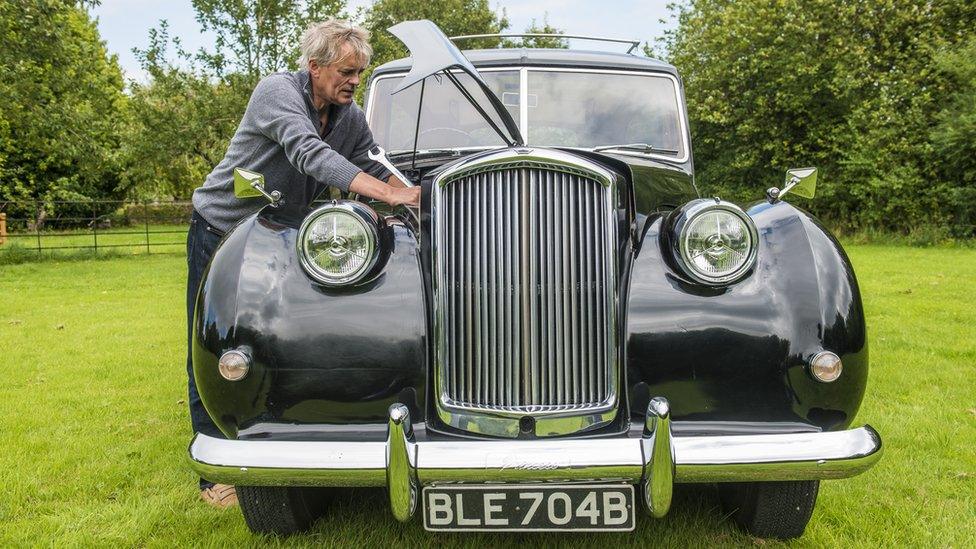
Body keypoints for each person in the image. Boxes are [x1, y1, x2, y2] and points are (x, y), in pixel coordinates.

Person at [185, 19, 419, 508]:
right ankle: (216, 472)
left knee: (280, 331)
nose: (354, 81)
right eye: (346, 71)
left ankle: (284, 429)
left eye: (360, 72)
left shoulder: (348, 115)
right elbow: (308, 154)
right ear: (314, 67)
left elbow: (373, 163)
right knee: (216, 340)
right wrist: (387, 193)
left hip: (284, 234)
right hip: (224, 229)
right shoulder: (276, 92)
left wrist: (424, 192)